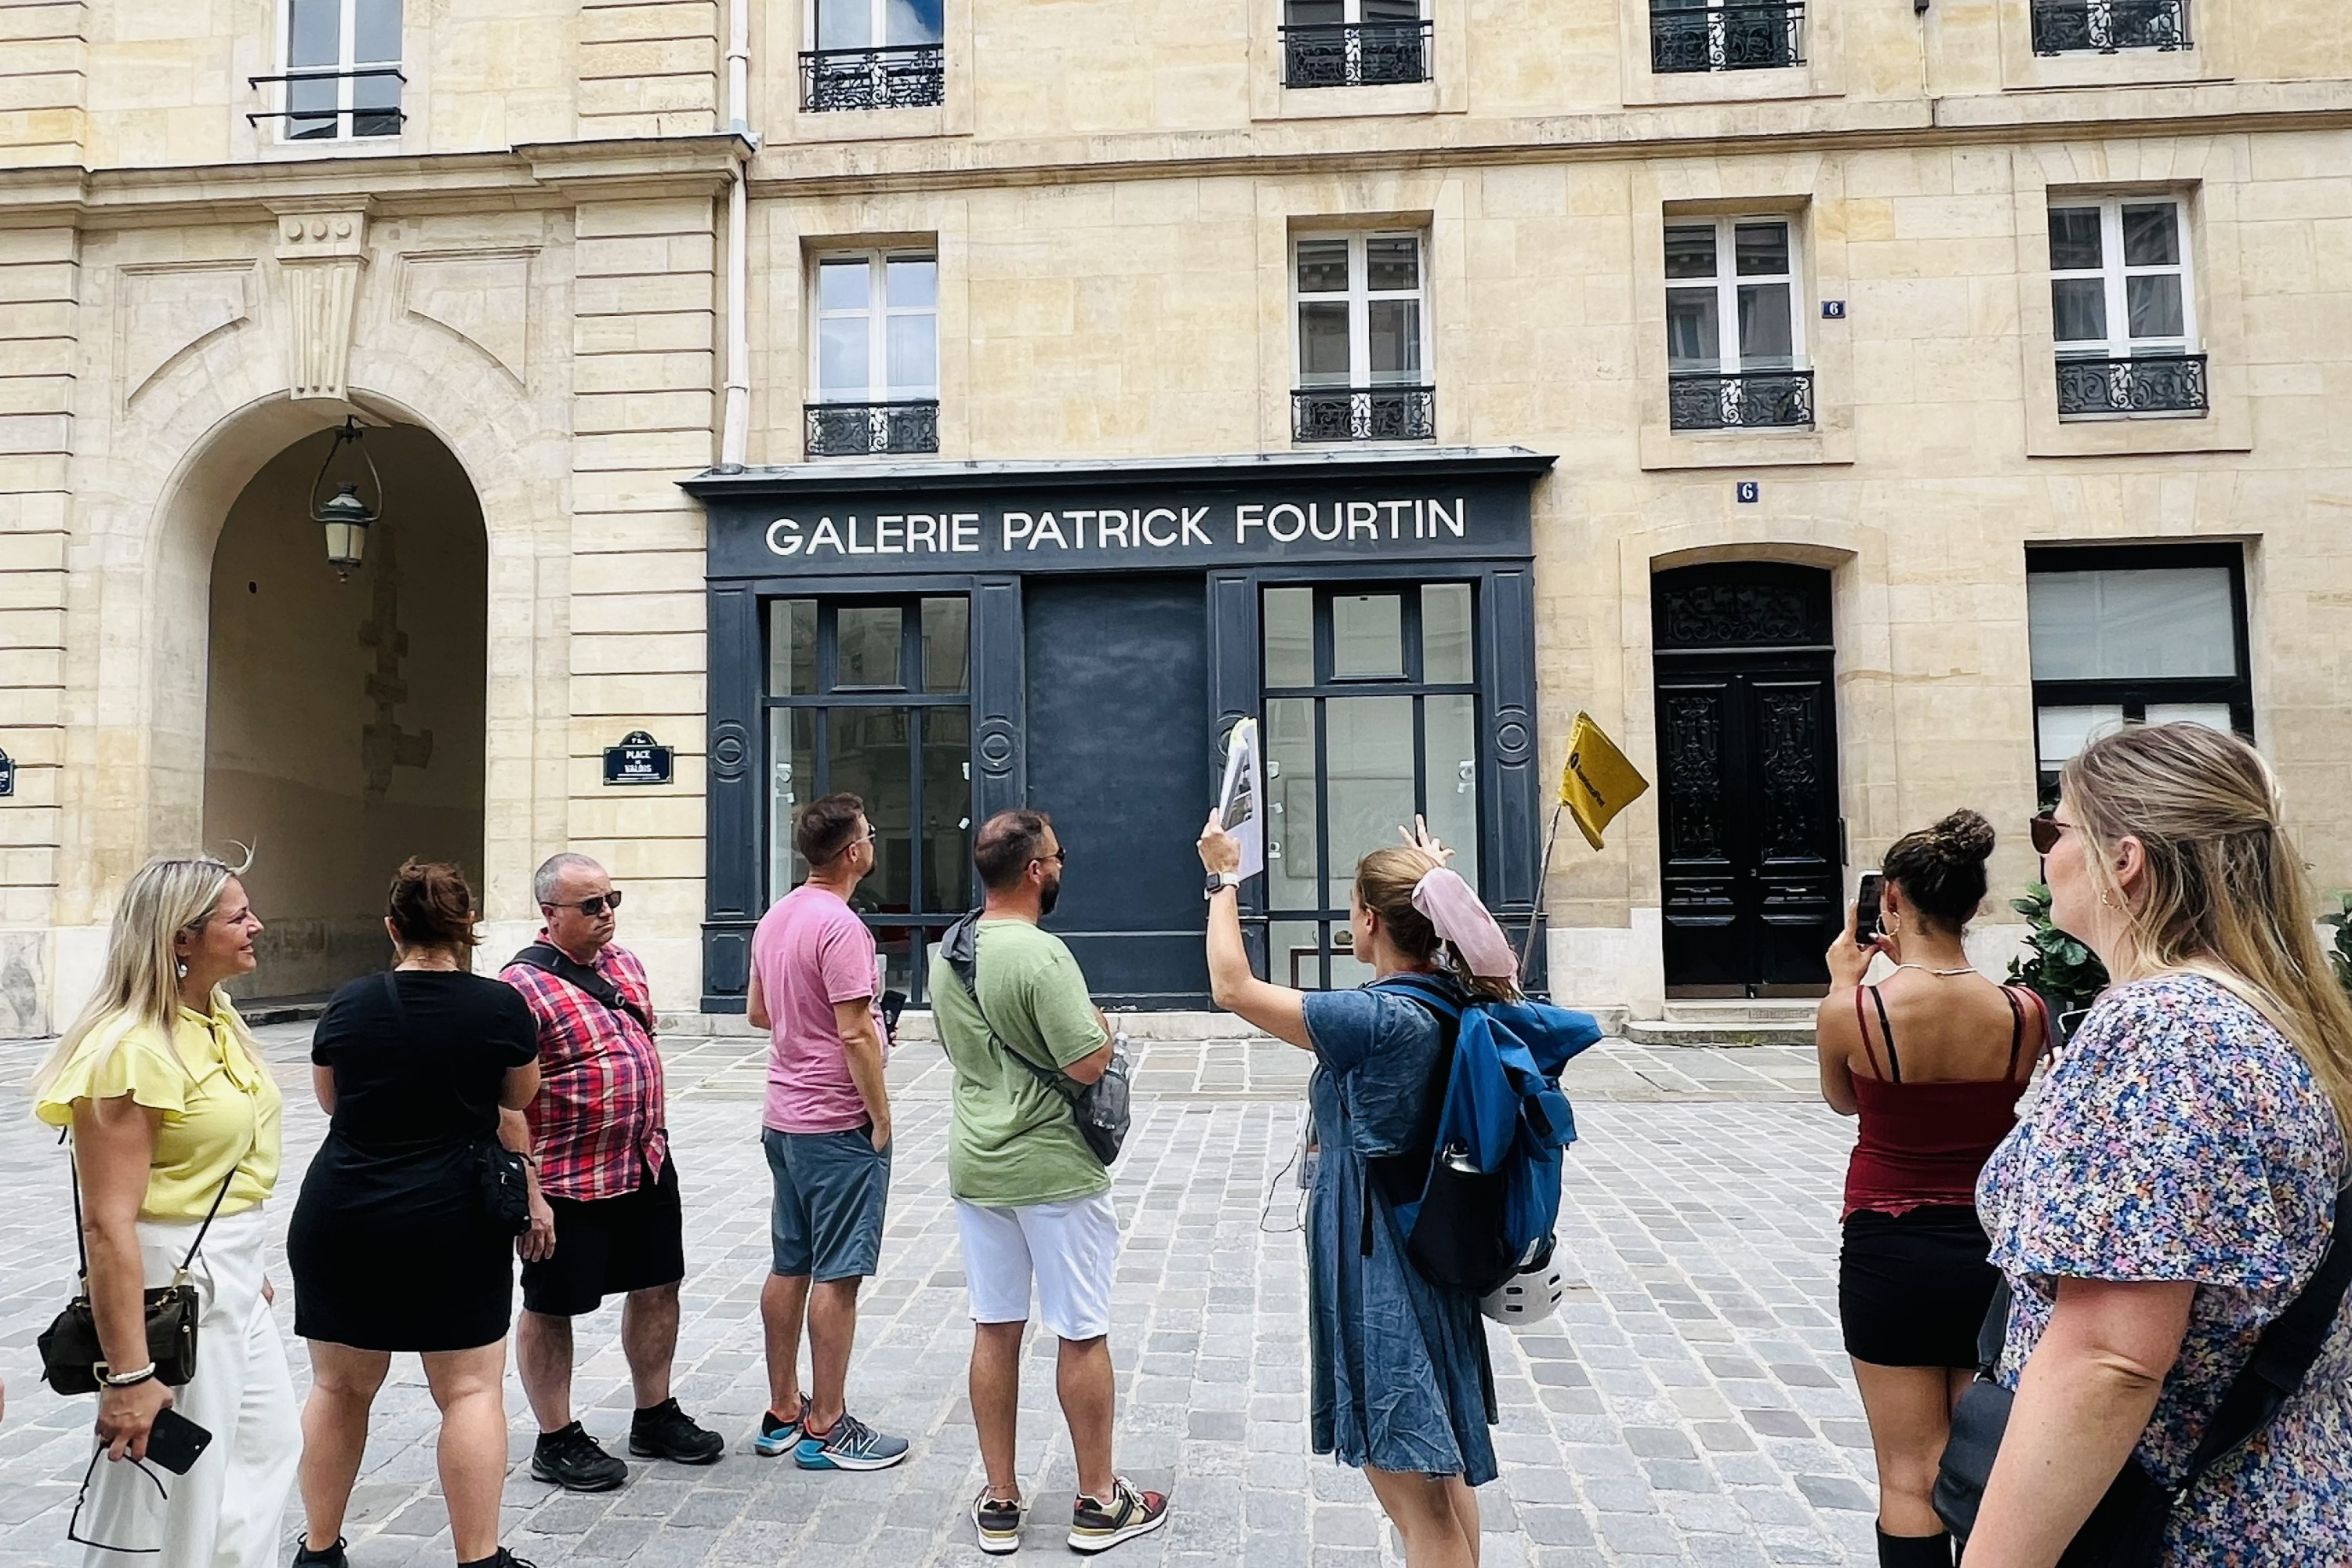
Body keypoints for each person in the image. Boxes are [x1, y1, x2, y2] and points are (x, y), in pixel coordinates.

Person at [1969, 723, 2352, 1565]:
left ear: (2126, 859)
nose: (2044, 854)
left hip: (2169, 1525)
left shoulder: (2164, 1027)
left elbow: (2108, 1356)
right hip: (2278, 1498)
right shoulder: (2274, 1014)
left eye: (2053, 829)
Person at [1196, 811, 1504, 1568]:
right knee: (1442, 1472)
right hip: (1425, 1243)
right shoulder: (1461, 993)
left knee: (1412, 1487)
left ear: (1369, 920)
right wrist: (1435, 878)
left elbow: (1231, 986)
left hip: (1378, 1259)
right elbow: (1473, 943)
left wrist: (1222, 876)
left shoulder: (1376, 1018)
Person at [28, 855, 296, 1568]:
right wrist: (128, 1375)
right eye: (238, 916)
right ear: (181, 939)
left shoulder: (213, 1017)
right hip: (168, 1280)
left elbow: (224, 1165)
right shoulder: (130, 1051)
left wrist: (246, 1261)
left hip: (227, 1272)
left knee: (265, 1451)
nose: (257, 926)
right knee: (174, 1488)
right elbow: (107, 1224)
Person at [285, 861, 544, 1568]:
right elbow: (519, 1096)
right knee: (468, 1390)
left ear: (393, 928)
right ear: (468, 931)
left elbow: (332, 1101)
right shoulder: (499, 1007)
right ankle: (478, 1557)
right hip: (453, 1212)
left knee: (337, 1389)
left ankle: (319, 1549)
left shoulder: (348, 1004)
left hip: (345, 1209)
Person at [930, 809, 1171, 1556]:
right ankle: (1099, 1502)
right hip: (1054, 1166)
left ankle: (1000, 1501)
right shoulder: (1042, 956)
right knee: (1080, 1328)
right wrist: (1099, 1024)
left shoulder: (950, 952)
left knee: (994, 1327)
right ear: (1034, 870)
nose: (1063, 866)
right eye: (1058, 857)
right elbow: (1087, 1063)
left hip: (979, 1158)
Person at [1813, 810, 2047, 1568]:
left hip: (1891, 1249)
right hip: (1990, 1247)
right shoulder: (2024, 1011)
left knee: (1907, 1476)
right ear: (1975, 906)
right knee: (1986, 1468)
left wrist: (1848, 982)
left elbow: (1845, 1103)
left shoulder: (1854, 1012)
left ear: (1891, 901)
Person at [500, 852, 724, 1490]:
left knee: (658, 1285)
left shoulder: (625, 966)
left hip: (645, 1158)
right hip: (568, 1175)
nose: (607, 915)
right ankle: (555, 1437)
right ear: (550, 914)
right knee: (551, 1307)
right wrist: (529, 1188)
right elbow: (505, 1098)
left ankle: (653, 1413)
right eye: (591, 906)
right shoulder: (519, 988)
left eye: (612, 900)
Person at [744, 793, 907, 1470]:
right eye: (869, 834)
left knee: (791, 1263)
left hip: (783, 1117)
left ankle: (783, 1408)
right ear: (852, 853)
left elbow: (759, 1013)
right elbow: (852, 1033)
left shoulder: (776, 916)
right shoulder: (842, 928)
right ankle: (829, 1424)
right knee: (838, 1276)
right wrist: (881, 1115)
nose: (872, 842)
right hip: (835, 1120)